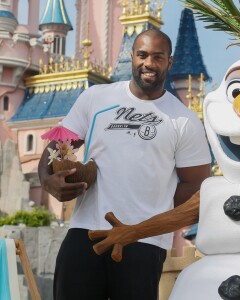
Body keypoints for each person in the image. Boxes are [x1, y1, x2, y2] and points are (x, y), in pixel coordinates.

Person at [38, 28, 211, 300]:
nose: (149, 63)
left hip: (142, 240)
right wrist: (47, 181)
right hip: (86, 232)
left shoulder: (184, 120)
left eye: (158, 56)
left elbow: (196, 184)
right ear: (132, 57)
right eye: (142, 55)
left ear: (170, 62)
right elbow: (58, 146)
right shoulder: (96, 98)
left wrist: (152, 213)